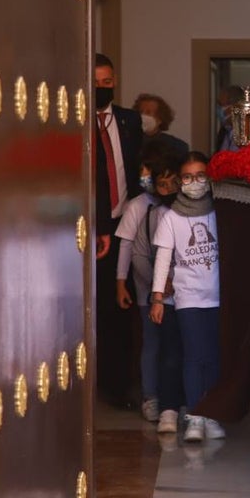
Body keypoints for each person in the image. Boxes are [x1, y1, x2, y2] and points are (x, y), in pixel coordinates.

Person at [150, 151, 224, 442]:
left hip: (217, 297)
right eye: (188, 177)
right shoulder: (171, 217)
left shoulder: (219, 210)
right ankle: (194, 415)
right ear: (180, 181)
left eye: (200, 175)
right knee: (194, 357)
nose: (195, 182)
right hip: (188, 298)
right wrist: (157, 298)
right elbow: (162, 258)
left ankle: (213, 413)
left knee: (215, 358)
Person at [114, 143, 182, 426]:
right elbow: (129, 248)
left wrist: (172, 283)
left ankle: (178, 399)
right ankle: (150, 396)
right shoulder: (138, 206)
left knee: (176, 346)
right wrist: (121, 283)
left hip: (179, 291)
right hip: (147, 291)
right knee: (152, 343)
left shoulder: (181, 208)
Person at [94, 53, 144, 406]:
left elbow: (136, 169)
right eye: (95, 82)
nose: (101, 88)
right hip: (89, 227)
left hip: (125, 222)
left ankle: (118, 386)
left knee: (121, 307)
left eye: (107, 82)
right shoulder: (72, 118)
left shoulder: (128, 120)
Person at [133, 92, 190, 158]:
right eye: (140, 112)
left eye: (148, 112)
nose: (143, 116)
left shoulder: (174, 146)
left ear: (160, 118)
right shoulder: (130, 142)